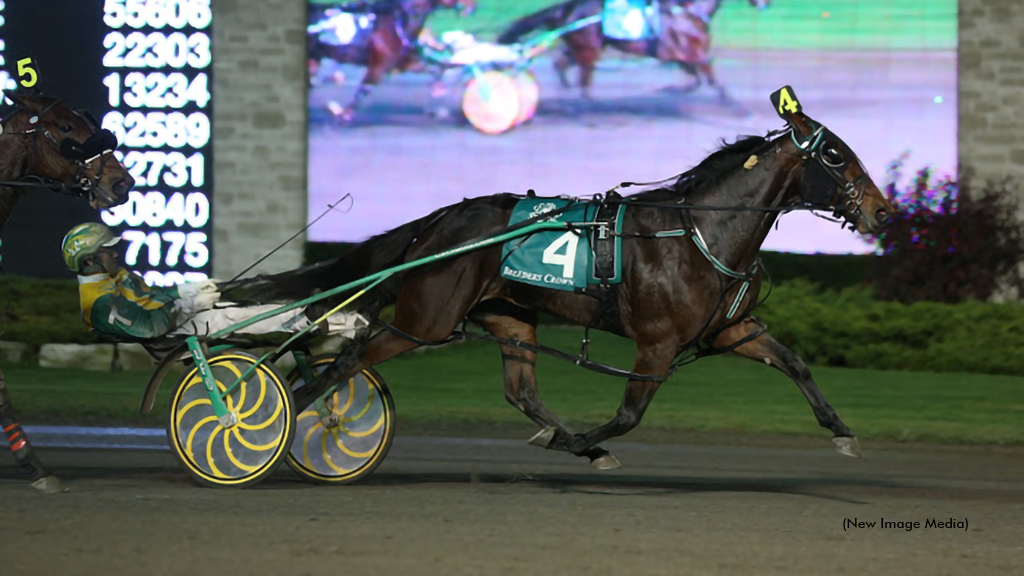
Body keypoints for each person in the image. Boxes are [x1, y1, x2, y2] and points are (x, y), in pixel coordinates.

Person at [60, 223, 367, 342]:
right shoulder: (98, 304)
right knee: (235, 315)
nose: (116, 251)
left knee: (251, 290)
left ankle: (330, 313)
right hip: (175, 329)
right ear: (89, 261)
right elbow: (148, 326)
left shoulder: (117, 276)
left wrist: (188, 289)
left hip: (182, 315)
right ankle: (339, 323)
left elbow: (155, 294)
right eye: (107, 250)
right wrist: (190, 304)